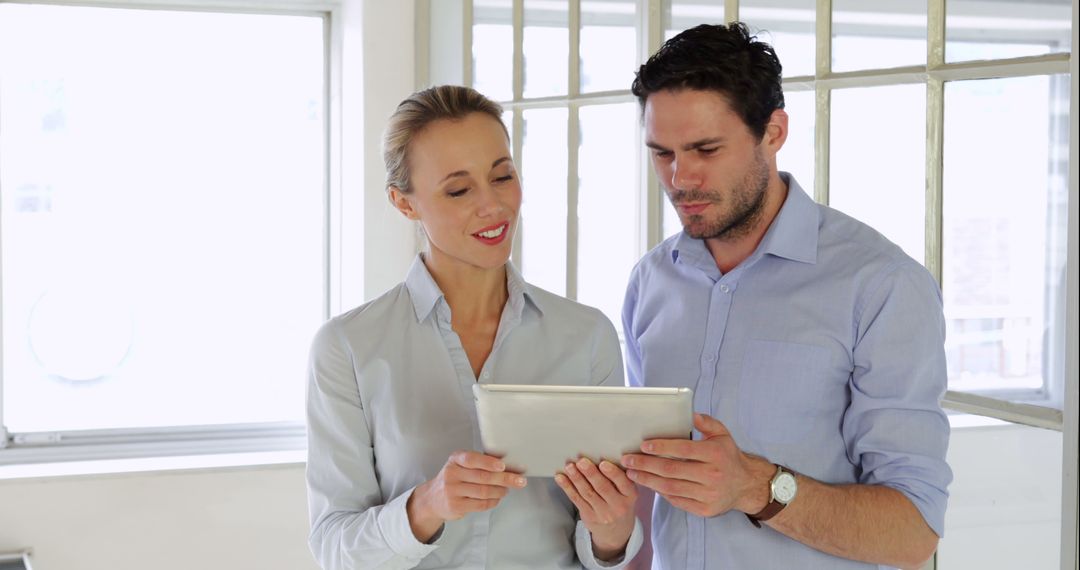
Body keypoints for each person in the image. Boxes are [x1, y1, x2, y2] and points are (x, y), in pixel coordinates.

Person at [618, 23, 952, 570]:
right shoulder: (650, 280)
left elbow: (911, 533)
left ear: (773, 132)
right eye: (662, 153)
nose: (681, 178)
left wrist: (756, 486)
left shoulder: (881, 285)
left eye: (706, 148)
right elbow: (649, 492)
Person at [305, 85, 643, 570]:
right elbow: (334, 549)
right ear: (405, 204)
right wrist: (428, 505)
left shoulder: (586, 335)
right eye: (459, 189)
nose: (494, 206)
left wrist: (612, 531)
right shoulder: (348, 348)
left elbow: (601, 549)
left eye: (502, 176)